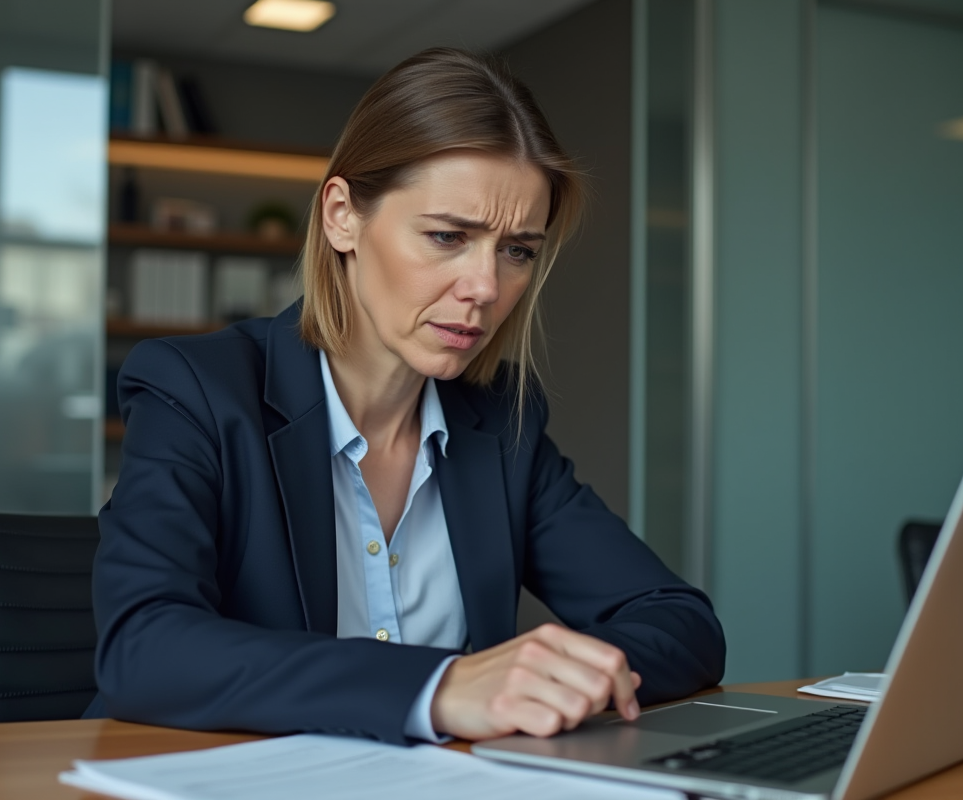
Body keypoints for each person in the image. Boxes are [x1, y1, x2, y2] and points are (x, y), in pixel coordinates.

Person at [85, 47, 724, 744]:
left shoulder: (500, 423)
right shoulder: (196, 389)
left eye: (517, 251)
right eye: (448, 236)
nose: (486, 288)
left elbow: (680, 623)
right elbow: (143, 649)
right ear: (342, 218)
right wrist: (442, 690)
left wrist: (549, 678)